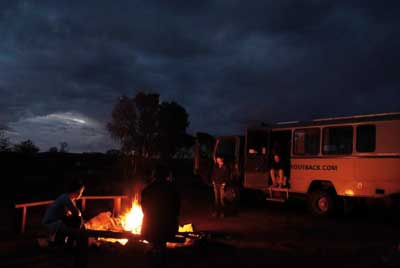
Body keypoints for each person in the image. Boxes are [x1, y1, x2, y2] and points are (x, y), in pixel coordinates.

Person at [42, 179, 88, 268]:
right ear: (77, 191)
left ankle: (63, 244)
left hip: (56, 223)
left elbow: (72, 214)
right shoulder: (66, 198)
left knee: (76, 223)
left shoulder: (67, 198)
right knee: (78, 225)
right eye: (81, 192)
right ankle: (71, 249)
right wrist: (79, 219)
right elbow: (76, 213)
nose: (81, 194)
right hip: (51, 224)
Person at [141, 164, 180, 268]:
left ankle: (156, 252)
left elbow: (144, 210)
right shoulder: (172, 189)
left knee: (155, 234)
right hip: (169, 227)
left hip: (150, 228)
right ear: (166, 175)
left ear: (154, 175)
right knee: (161, 235)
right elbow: (176, 209)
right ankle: (159, 252)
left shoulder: (147, 190)